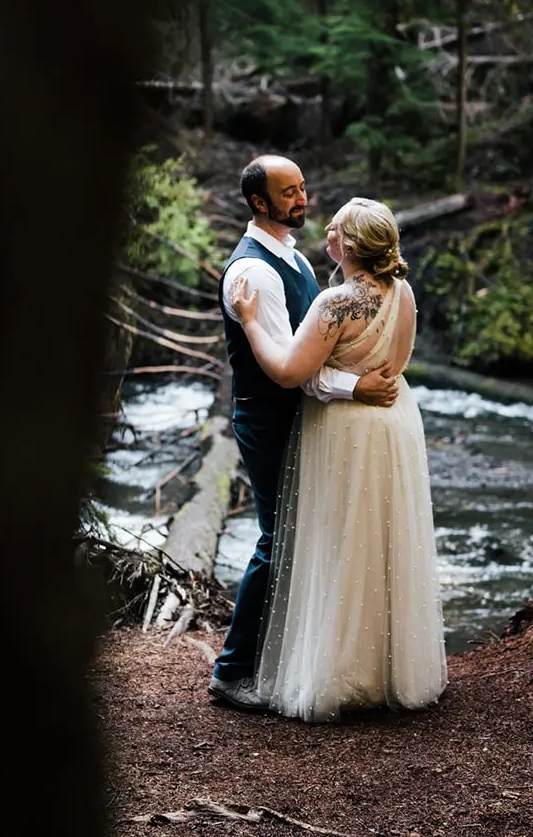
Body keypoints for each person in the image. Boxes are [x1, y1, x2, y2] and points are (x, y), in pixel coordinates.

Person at [230, 196, 447, 721]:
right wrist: (364, 381)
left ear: (347, 245)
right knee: (385, 538)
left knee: (341, 541)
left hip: (346, 428)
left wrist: (250, 320)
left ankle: (342, 673)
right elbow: (395, 362)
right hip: (394, 424)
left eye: (335, 227)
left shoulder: (337, 303)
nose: (324, 229)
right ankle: (390, 669)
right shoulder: (404, 292)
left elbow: (287, 371)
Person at [207, 157, 399, 712]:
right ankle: (232, 670)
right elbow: (289, 369)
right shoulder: (255, 274)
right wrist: (355, 387)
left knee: (301, 537)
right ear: (258, 203)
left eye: (302, 187)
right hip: (269, 419)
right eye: (287, 192)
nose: (301, 198)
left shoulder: (291, 258)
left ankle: (285, 657)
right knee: (277, 539)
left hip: (303, 416)